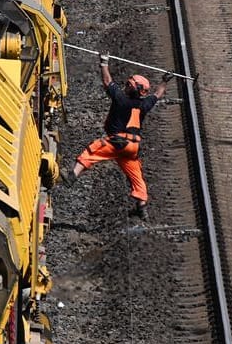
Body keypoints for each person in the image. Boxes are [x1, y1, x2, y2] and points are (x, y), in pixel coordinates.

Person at [69, 55, 167, 221]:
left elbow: (108, 81)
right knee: (136, 174)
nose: (125, 86)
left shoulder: (121, 99)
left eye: (128, 85)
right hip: (133, 147)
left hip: (118, 141)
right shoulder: (144, 105)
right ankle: (142, 207)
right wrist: (165, 80)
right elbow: (158, 94)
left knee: (94, 149)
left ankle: (73, 175)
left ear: (134, 88)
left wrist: (104, 63)